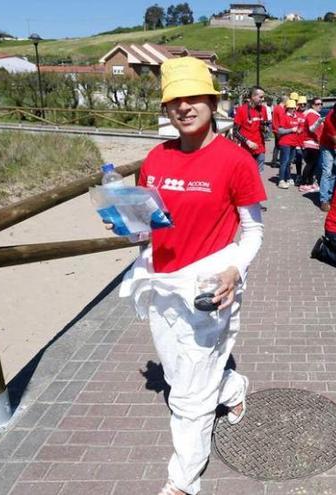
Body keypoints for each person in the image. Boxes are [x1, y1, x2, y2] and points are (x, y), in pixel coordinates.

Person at [117, 57, 267, 495]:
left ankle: (182, 482)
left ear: (212, 101)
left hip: (208, 284)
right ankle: (233, 387)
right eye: (174, 101)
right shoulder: (155, 158)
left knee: (187, 394)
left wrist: (234, 269)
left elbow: (253, 231)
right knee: (177, 370)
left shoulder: (235, 160)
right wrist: (126, 224)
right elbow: (150, 227)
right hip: (160, 279)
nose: (184, 107)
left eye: (193, 98)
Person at [232, 86, 268, 174]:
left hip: (260, 148)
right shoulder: (241, 110)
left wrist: (265, 128)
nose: (263, 99)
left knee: (258, 174)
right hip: (247, 149)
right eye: (261, 97)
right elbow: (235, 131)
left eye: (263, 97)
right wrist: (247, 142)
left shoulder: (263, 109)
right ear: (253, 97)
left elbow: (263, 126)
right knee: (247, 174)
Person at [298, 96, 323, 193]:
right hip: (311, 143)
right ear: (313, 105)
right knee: (311, 164)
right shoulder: (312, 115)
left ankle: (308, 183)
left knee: (312, 164)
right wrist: (319, 121)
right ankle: (304, 184)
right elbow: (312, 128)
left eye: (321, 104)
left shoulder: (313, 114)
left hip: (313, 142)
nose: (320, 106)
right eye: (317, 104)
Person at [275, 99, 302, 189]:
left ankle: (288, 178)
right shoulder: (284, 116)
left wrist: (298, 131)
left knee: (289, 162)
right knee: (284, 162)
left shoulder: (296, 117)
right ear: (287, 108)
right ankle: (281, 180)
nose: (293, 110)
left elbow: (298, 127)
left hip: (293, 143)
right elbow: (280, 130)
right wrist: (291, 130)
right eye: (290, 108)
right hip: (285, 143)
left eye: (294, 108)